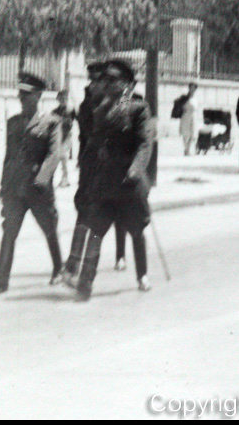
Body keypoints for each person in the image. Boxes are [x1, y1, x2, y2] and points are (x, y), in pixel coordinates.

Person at [69, 59, 155, 302]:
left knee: (137, 231)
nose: (107, 83)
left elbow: (144, 144)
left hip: (129, 183)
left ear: (127, 84)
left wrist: (136, 170)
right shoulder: (101, 108)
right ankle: (85, 283)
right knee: (96, 230)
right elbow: (94, 140)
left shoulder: (137, 107)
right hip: (105, 182)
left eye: (113, 80)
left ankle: (142, 275)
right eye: (105, 79)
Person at [0, 74, 63, 292]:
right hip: (14, 187)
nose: (22, 98)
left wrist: (42, 178)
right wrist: (3, 185)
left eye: (27, 95)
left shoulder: (51, 123)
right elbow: (9, 156)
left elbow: (54, 154)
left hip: (38, 188)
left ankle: (58, 268)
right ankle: (1, 279)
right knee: (9, 231)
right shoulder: (13, 122)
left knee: (49, 228)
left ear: (38, 95)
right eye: (20, 94)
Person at [63, 62, 107, 278]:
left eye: (100, 80)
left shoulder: (103, 101)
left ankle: (76, 262)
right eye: (95, 80)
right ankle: (75, 263)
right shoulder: (90, 105)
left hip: (100, 166)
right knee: (88, 215)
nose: (97, 84)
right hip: (92, 166)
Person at [52, 89, 77, 188]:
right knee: (58, 158)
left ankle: (65, 179)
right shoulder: (54, 111)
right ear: (58, 99)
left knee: (63, 157)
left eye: (65, 98)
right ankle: (62, 179)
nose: (63, 100)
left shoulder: (71, 111)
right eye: (61, 98)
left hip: (66, 137)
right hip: (57, 137)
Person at [179, 82, 199, 156]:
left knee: (192, 134)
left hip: (193, 116)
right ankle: (186, 149)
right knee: (185, 133)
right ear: (189, 88)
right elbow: (179, 106)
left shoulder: (196, 99)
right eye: (191, 88)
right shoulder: (184, 97)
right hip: (186, 116)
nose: (192, 89)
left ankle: (188, 149)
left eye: (194, 88)